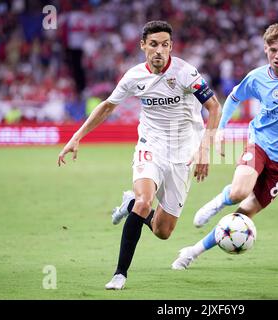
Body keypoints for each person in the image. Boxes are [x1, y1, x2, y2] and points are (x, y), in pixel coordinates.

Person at [57, 21, 222, 289]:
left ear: (171, 47)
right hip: (151, 146)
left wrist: (205, 149)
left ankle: (129, 202)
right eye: (154, 44)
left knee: (163, 231)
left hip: (183, 153)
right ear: (143, 45)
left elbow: (214, 108)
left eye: (165, 45)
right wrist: (76, 137)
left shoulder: (186, 73)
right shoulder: (134, 76)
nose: (159, 50)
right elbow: (108, 106)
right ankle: (120, 274)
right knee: (145, 201)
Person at [171, 23, 278, 270]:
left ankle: (192, 252)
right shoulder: (257, 76)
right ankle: (220, 200)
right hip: (260, 142)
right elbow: (234, 98)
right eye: (272, 50)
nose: (277, 55)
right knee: (239, 192)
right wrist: (219, 130)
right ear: (265, 49)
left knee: (242, 216)